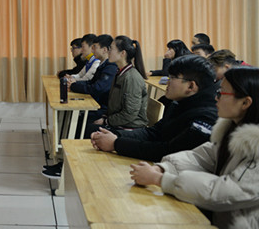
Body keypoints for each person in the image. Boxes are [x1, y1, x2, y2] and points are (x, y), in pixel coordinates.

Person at [130, 66, 259, 229]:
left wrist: (161, 180)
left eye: (222, 93)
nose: (216, 98)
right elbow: (201, 157)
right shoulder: (233, 129)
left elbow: (226, 192)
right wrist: (163, 168)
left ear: (245, 102)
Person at [91, 54, 218, 162]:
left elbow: (169, 152)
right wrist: (115, 134)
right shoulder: (180, 102)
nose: (167, 82)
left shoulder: (206, 117)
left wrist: (116, 144)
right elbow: (153, 132)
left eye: (172, 78)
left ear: (191, 86)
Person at [42, 35, 118, 179]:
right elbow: (89, 82)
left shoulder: (110, 67)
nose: (92, 50)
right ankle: (63, 159)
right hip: (100, 106)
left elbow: (97, 88)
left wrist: (106, 119)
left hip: (102, 109)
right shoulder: (103, 65)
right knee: (71, 116)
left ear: (105, 50)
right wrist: (75, 84)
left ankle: (68, 166)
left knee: (76, 120)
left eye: (95, 47)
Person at [86, 36, 148, 136]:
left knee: (85, 128)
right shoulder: (119, 73)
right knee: (84, 122)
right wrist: (105, 117)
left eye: (111, 49)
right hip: (119, 123)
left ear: (123, 53)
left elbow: (130, 114)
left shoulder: (132, 78)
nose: (108, 52)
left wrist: (106, 121)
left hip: (129, 128)